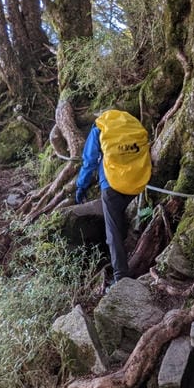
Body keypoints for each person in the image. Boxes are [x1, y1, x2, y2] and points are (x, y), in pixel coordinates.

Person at [75, 110, 150, 284]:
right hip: (138, 182)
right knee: (130, 223)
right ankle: (140, 254)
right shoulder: (130, 126)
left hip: (112, 185)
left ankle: (120, 276)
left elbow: (90, 161)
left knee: (113, 232)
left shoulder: (99, 129)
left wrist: (81, 186)